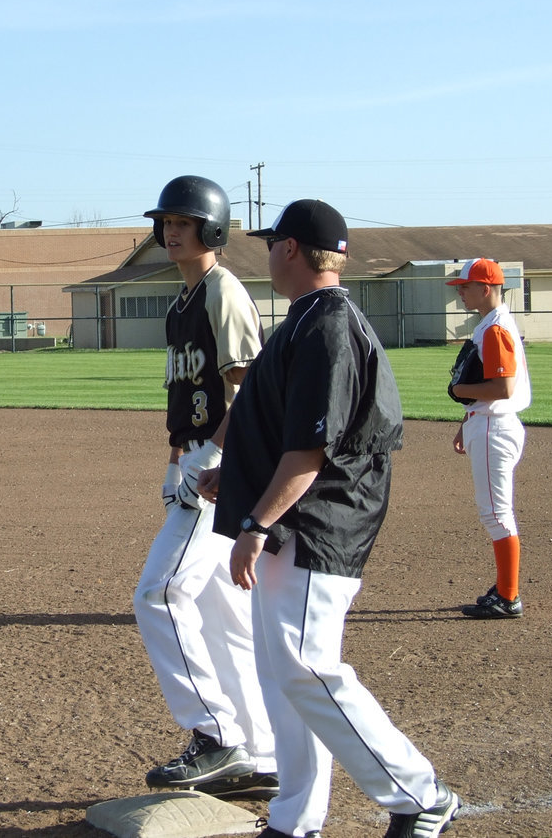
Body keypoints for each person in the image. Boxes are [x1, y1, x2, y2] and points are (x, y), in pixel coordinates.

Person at [199, 199, 461, 838]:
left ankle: (420, 794)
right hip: (300, 519)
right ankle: (295, 820)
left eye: (271, 244)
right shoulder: (306, 320)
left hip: (316, 522)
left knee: (303, 665)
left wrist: (256, 524)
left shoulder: (328, 327)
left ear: (290, 249)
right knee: (283, 673)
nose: (265, 255)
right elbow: (270, 412)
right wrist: (226, 470)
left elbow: (312, 448)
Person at [133, 175, 276, 797]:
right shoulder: (180, 303)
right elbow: (185, 398)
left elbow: (245, 388)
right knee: (223, 615)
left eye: (183, 223)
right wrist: (174, 460)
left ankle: (216, 735)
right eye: (165, 222)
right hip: (198, 459)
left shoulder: (223, 292)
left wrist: (212, 454)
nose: (170, 231)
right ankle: (261, 753)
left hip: (222, 467)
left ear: (211, 230)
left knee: (159, 595)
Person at [446, 258, 532, 619]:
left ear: (485, 288)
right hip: (488, 423)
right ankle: (504, 587)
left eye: (465, 287)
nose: (460, 293)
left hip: (495, 428)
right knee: (496, 512)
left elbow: (502, 387)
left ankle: (509, 597)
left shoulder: (495, 328)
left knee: (496, 513)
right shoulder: (491, 324)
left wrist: (456, 390)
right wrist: (466, 419)